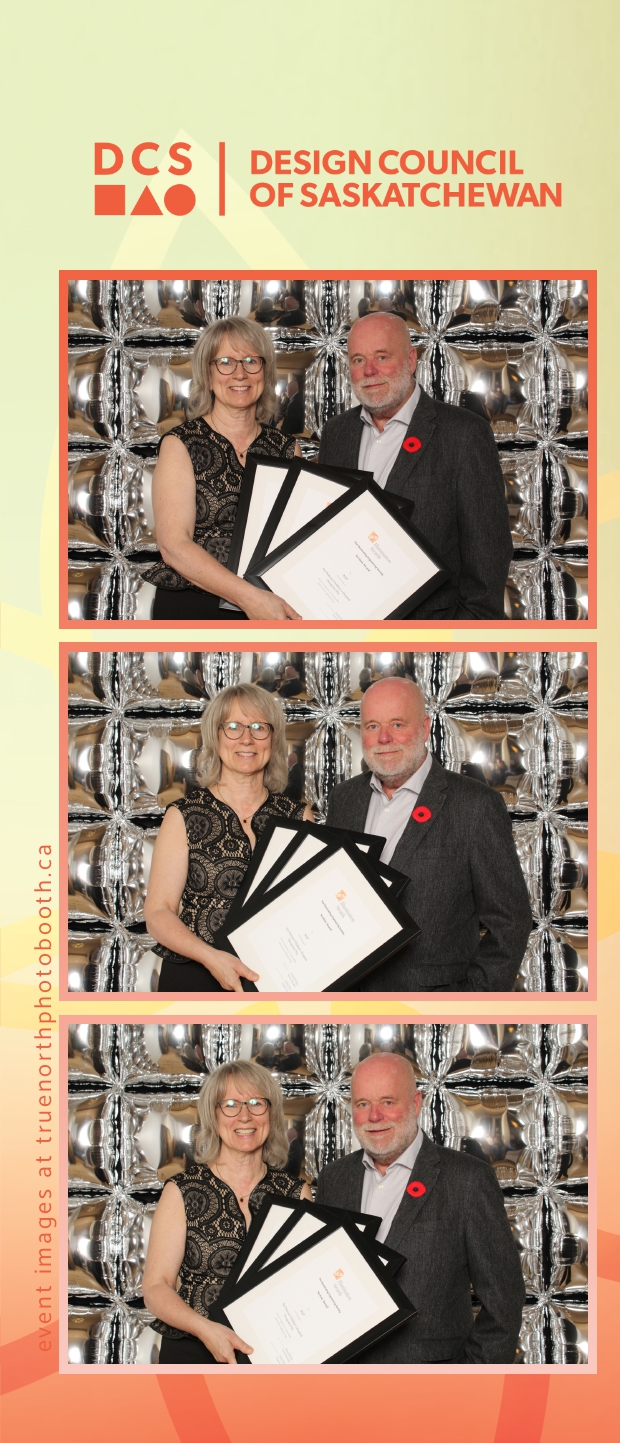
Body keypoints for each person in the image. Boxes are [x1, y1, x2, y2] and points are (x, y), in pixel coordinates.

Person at [325, 675, 532, 991]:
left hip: (433, 1006)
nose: (384, 738)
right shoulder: (344, 799)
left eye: (397, 724)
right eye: (372, 726)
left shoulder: (475, 804)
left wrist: (472, 1002)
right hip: (350, 1002)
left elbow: (511, 921)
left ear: (424, 727)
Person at [314, 1053, 525, 1363]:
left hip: (434, 1383)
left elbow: (504, 1299)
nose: (374, 1116)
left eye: (387, 1102)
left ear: (415, 1103)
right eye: (363, 1104)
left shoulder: (467, 1179)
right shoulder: (334, 1179)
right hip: (346, 1380)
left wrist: (471, 1379)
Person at [318, 311, 512, 622]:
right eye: (358, 360)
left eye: (382, 357)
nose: (369, 370)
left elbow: (488, 561)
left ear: (411, 360)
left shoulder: (463, 433)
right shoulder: (337, 434)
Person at [144, 684, 313, 993]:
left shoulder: (299, 817)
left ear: (273, 739)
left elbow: (310, 905)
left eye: (259, 727)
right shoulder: (183, 815)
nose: (247, 739)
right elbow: (157, 913)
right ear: (216, 736)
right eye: (233, 727)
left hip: (277, 979)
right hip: (194, 975)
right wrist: (211, 958)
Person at [143, 1061, 313, 1365]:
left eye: (256, 1103)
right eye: (231, 1105)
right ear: (214, 1115)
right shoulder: (181, 1190)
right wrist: (206, 1330)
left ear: (271, 1114)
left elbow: (307, 1282)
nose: (245, 1116)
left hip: (274, 1354)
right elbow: (156, 1288)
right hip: (192, 1349)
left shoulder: (296, 1194)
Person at [144, 316, 303, 625]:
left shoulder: (287, 449)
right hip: (193, 608)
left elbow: (297, 542)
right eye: (226, 362)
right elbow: (173, 545)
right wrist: (249, 597)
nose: (240, 373)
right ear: (207, 373)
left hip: (270, 611)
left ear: (265, 371)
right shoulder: (181, 444)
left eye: (251, 361)